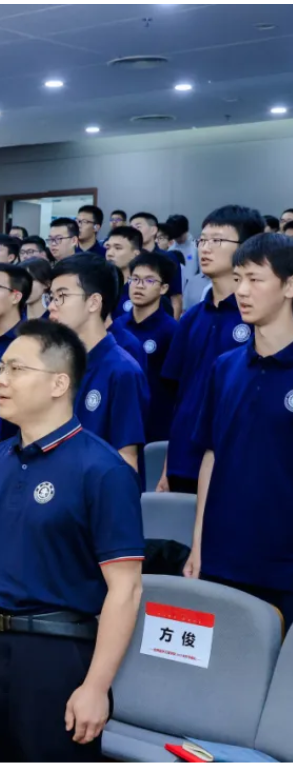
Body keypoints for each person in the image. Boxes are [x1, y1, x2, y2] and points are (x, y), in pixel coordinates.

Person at [0, 320, 145, 762]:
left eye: (16, 369)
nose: (0, 379)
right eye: (1, 368)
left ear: (59, 384)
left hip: (56, 655)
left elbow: (126, 588)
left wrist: (96, 687)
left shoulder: (103, 470)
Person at [188, 233, 293, 630]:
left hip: (284, 563)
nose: (242, 291)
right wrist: (198, 543)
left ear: (289, 286)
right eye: (238, 279)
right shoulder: (225, 367)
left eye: (255, 279)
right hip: (222, 557)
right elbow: (211, 456)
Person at [158, 205, 265, 493]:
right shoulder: (191, 318)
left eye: (217, 240)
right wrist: (167, 464)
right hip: (183, 458)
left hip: (235, 460)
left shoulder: (258, 317)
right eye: (202, 240)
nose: (205, 248)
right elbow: (179, 395)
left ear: (247, 247)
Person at [49, 255, 149, 474]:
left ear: (94, 302)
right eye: (52, 297)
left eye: (62, 296)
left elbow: (127, 458)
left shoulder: (122, 371)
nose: (52, 306)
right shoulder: (56, 365)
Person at [112, 252, 180, 443]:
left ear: (164, 288)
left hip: (154, 423)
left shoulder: (172, 331)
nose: (139, 286)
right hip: (119, 417)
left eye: (149, 280)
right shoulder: (118, 326)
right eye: (135, 279)